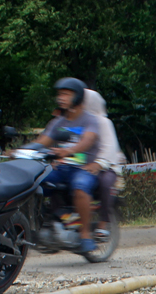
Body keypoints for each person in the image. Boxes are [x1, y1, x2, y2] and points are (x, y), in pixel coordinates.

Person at [34, 78, 102, 253]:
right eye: (59, 94)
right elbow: (43, 141)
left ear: (77, 96)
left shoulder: (89, 119)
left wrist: (68, 150)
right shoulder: (58, 121)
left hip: (83, 168)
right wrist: (20, 151)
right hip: (61, 168)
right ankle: (42, 222)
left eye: (65, 94)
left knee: (80, 188)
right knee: (33, 182)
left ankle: (85, 233)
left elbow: (88, 140)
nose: (60, 98)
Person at [82, 89, 125, 240]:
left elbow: (109, 148)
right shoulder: (79, 122)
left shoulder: (104, 123)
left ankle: (102, 223)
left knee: (105, 183)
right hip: (83, 165)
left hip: (107, 166)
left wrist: (98, 164)